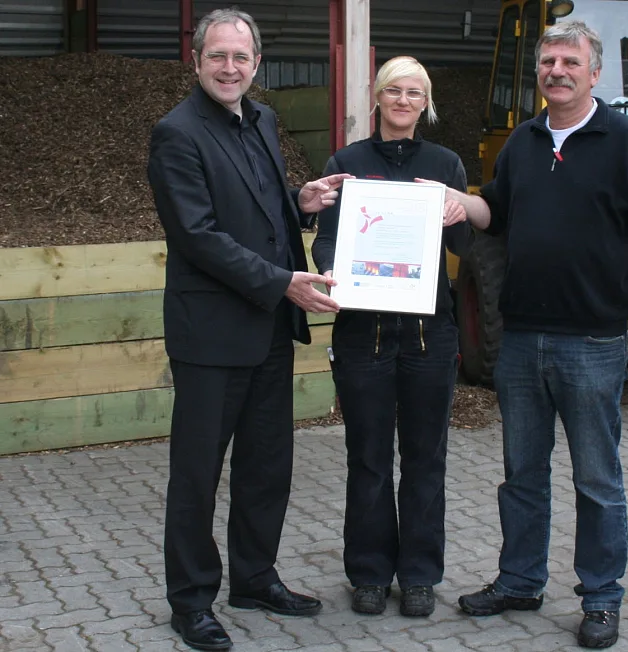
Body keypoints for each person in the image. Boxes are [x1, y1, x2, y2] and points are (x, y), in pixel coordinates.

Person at [434, 21, 628, 649]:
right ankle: (519, 580)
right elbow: (497, 212)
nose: (557, 70)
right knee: (522, 472)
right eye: (547, 61)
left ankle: (600, 598)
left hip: (593, 342)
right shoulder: (523, 140)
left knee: (597, 479)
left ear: (594, 72)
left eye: (570, 60)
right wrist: (455, 201)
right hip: (520, 340)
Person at [147, 8, 350, 651]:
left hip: (266, 328)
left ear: (256, 64)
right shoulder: (176, 134)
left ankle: (255, 577)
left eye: (241, 57)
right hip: (211, 336)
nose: (230, 68)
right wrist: (281, 282)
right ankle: (191, 601)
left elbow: (257, 207)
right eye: (218, 56)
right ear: (197, 61)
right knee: (198, 472)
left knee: (267, 465)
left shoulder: (259, 119)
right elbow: (198, 235)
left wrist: (301, 201)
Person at [312, 56, 473, 618]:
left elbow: (465, 250)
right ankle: (370, 573)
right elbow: (325, 243)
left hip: (430, 337)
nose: (404, 102)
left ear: (426, 103)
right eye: (394, 92)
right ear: (376, 97)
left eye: (415, 94)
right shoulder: (347, 165)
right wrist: (340, 275)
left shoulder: (445, 163)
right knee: (369, 458)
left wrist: (459, 214)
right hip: (364, 336)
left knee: (426, 458)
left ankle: (421, 574)